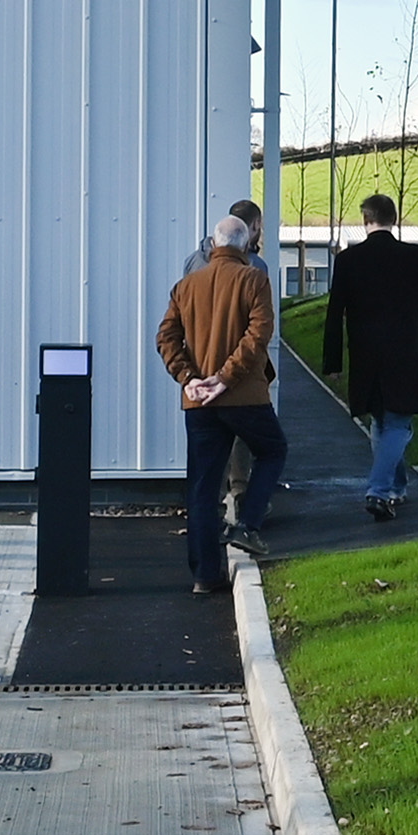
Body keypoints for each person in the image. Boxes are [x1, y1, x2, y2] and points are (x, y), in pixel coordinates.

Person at [160, 201, 285, 594]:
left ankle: (203, 576)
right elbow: (258, 335)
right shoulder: (254, 280)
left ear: (213, 244)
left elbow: (166, 338)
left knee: (202, 484)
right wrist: (225, 378)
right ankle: (247, 526)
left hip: (198, 402)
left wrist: (189, 378)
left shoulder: (186, 286)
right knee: (273, 450)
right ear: (248, 242)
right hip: (244, 396)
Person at [320, 193, 418, 523]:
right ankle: (379, 491)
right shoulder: (413, 256)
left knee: (381, 420)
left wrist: (332, 362)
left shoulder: (349, 261)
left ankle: (396, 486)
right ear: (395, 218)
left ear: (365, 221)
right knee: (396, 423)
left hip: (364, 354)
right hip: (402, 353)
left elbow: (334, 314)